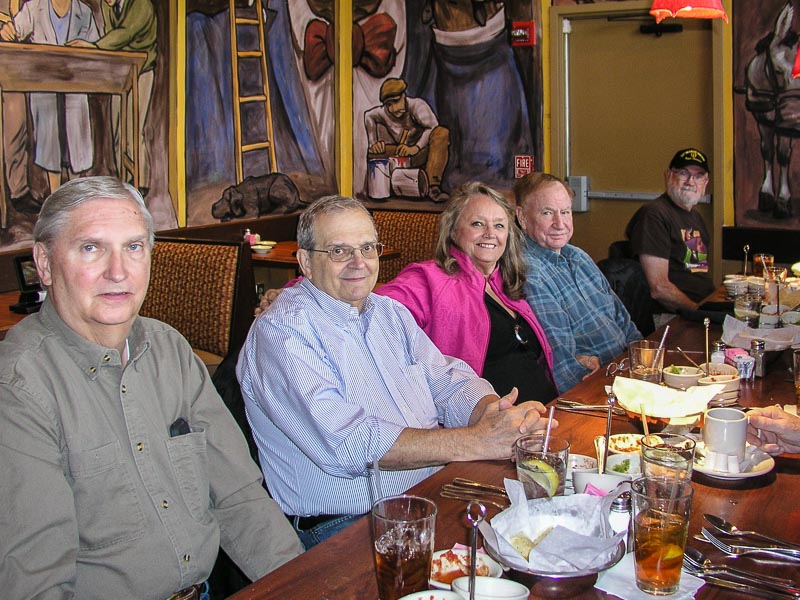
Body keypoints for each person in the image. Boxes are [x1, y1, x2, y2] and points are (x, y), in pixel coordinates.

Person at [0, 177, 302, 599]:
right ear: (45, 264)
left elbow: (239, 498)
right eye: (91, 248)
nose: (118, 271)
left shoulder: (169, 349)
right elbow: (35, 584)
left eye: (133, 247)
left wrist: (308, 586)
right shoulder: (18, 388)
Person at [238, 194, 549, 549]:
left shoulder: (388, 313)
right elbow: (350, 444)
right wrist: (477, 440)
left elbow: (448, 379)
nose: (359, 262)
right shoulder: (282, 332)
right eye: (339, 251)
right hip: (345, 528)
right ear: (306, 262)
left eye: (368, 248)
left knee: (542, 538)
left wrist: (492, 412)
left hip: (431, 494)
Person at [377, 181, 557, 402]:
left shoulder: (505, 282)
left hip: (547, 412)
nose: (490, 234)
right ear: (453, 231)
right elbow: (374, 314)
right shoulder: (429, 279)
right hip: (487, 425)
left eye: (499, 226)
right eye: (477, 224)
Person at [514, 173, 642, 392]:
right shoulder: (530, 272)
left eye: (565, 212)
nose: (560, 223)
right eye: (547, 213)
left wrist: (642, 363)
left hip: (627, 375)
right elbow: (564, 367)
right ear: (523, 217)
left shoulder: (577, 256)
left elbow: (624, 321)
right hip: (600, 388)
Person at [0, 0, 99, 195]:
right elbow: (14, 32)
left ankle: (74, 194)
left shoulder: (84, 12)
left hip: (76, 87)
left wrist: (91, 47)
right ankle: (55, 195)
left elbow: (98, 48)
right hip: (43, 86)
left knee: (76, 136)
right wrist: (7, 32)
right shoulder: (34, 7)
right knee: (48, 135)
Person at [68, 0, 158, 194]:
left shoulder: (141, 4)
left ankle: (140, 184)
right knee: (118, 134)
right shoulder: (108, 6)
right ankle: (124, 182)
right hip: (121, 73)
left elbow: (124, 33)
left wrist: (95, 46)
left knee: (134, 132)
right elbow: (113, 38)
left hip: (141, 72)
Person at [625, 148, 716, 312]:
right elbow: (659, 288)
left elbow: (697, 271)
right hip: (672, 316)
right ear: (668, 176)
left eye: (698, 176)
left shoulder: (696, 218)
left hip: (701, 306)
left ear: (705, 183)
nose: (690, 182)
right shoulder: (654, 215)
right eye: (683, 173)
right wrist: (698, 313)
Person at [364, 77, 450, 202]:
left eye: (396, 101)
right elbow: (368, 116)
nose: (393, 108)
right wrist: (374, 143)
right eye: (389, 104)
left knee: (442, 133)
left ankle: (433, 187)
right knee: (374, 153)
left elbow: (432, 127)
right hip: (400, 153)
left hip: (421, 153)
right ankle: (384, 189)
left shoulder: (417, 105)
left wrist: (415, 148)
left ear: (404, 95)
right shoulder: (381, 113)